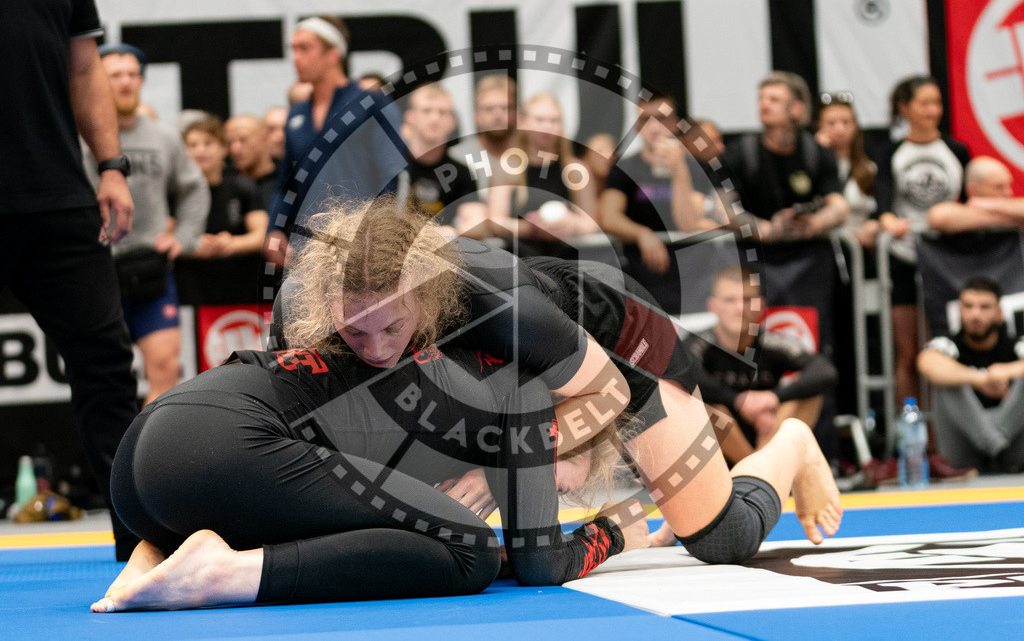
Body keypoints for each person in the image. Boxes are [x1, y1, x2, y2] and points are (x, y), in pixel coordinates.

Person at [92, 212, 648, 613]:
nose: (376, 349)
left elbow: (360, 522)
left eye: (391, 329)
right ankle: (226, 573)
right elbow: (540, 564)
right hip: (220, 450)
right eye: (556, 479)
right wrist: (618, 530)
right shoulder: (522, 390)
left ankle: (162, 550)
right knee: (471, 552)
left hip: (145, 467)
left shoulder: (470, 351)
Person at [273, 200, 842, 565]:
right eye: (355, 332)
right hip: (515, 369)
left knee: (722, 539)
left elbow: (607, 393)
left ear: (425, 297)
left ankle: (792, 446)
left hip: (613, 345)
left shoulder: (498, 305)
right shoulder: (301, 314)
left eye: (393, 328)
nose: (375, 349)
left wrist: (500, 468)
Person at [0, 0, 140, 561]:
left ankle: (140, 537)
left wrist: (111, 166)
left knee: (106, 365)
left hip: (58, 198)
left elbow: (84, 66)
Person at [85, 43, 210, 405]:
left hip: (151, 271)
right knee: (102, 378)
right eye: (115, 75)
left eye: (132, 74)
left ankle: (150, 445)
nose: (126, 82)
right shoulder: (78, 136)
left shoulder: (163, 136)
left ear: (141, 80)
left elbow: (194, 187)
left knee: (166, 369)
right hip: (96, 270)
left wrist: (184, 237)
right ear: (97, 80)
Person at [263, 16, 403, 269]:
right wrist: (273, 229)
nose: (295, 58)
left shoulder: (372, 104)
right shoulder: (296, 115)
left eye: (304, 48)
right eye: (293, 49)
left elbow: (393, 177)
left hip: (363, 251)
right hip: (308, 254)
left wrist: (381, 239)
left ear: (333, 54)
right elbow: (286, 184)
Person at [876, 75, 970, 407]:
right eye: (924, 103)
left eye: (937, 103)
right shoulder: (892, 152)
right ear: (905, 108)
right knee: (907, 351)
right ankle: (911, 427)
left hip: (946, 259)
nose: (933, 110)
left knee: (942, 347)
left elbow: (969, 201)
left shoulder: (956, 150)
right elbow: (883, 205)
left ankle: (944, 429)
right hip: (903, 256)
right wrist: (889, 221)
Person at [686, 265, 838, 459]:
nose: (740, 308)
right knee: (698, 401)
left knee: (810, 392)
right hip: (720, 452)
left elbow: (825, 371)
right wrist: (737, 401)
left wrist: (774, 397)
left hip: (769, 434)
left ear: (761, 306)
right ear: (713, 306)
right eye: (730, 300)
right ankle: (754, 466)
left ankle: (761, 465)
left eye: (748, 300)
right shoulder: (697, 343)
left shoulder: (773, 342)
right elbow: (682, 374)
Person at [599, 95, 712, 312]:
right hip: (641, 274)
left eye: (661, 119)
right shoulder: (625, 168)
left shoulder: (693, 167)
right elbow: (609, 217)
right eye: (644, 120)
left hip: (689, 274)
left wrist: (679, 170)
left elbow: (688, 223)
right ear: (637, 127)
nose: (653, 127)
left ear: (675, 124)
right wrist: (642, 233)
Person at [722, 71, 848, 243]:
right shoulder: (740, 152)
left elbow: (840, 206)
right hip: (757, 250)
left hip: (807, 249)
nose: (764, 105)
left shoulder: (817, 152)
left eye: (774, 100)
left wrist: (815, 223)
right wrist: (764, 229)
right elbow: (722, 208)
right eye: (761, 98)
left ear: (797, 108)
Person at [917, 277, 1024, 473]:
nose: (975, 314)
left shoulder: (1015, 344)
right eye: (968, 306)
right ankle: (994, 444)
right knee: (945, 379)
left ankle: (993, 443)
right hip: (964, 456)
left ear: (1000, 313)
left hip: (1014, 452)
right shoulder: (949, 345)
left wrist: (1007, 371)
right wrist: (980, 378)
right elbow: (926, 362)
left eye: (985, 307)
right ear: (959, 310)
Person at [487, 92, 600, 256]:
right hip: (521, 260)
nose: (547, 127)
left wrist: (572, 223)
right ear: (524, 122)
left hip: (565, 260)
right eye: (540, 120)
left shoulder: (575, 169)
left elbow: (591, 223)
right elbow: (496, 222)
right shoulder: (507, 167)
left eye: (554, 121)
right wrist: (531, 228)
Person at [401, 83, 487, 235]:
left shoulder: (462, 173)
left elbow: (477, 223)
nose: (435, 118)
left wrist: (454, 232)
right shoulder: (390, 166)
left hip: (442, 244)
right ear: (410, 117)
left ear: (453, 122)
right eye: (426, 111)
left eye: (442, 112)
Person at [182, 117, 268, 259]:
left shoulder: (242, 186)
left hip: (237, 267)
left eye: (208, 143)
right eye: (192, 145)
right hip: (189, 268)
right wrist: (193, 245)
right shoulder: (177, 191)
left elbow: (261, 235)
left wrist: (232, 243)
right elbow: (164, 237)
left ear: (223, 148)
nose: (200, 151)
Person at [815, 92, 878, 248]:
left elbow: (879, 210)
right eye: (831, 123)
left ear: (855, 125)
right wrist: (818, 150)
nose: (839, 129)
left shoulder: (869, 168)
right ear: (819, 127)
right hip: (823, 245)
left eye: (846, 122)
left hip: (859, 247)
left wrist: (874, 225)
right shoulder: (812, 165)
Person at [452, 74, 520, 196]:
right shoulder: (456, 158)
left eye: (505, 108)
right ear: (476, 115)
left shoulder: (531, 157)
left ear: (516, 113)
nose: (498, 115)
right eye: (489, 109)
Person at [928, 157, 1021, 233]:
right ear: (973, 190)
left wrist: (988, 205)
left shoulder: (1014, 210)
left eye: (1008, 185)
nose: (1008, 193)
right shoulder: (957, 214)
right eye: (998, 187)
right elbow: (938, 217)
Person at [225, 114, 278, 209]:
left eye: (243, 140)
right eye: (230, 142)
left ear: (264, 138)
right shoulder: (226, 184)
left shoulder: (287, 182)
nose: (234, 149)